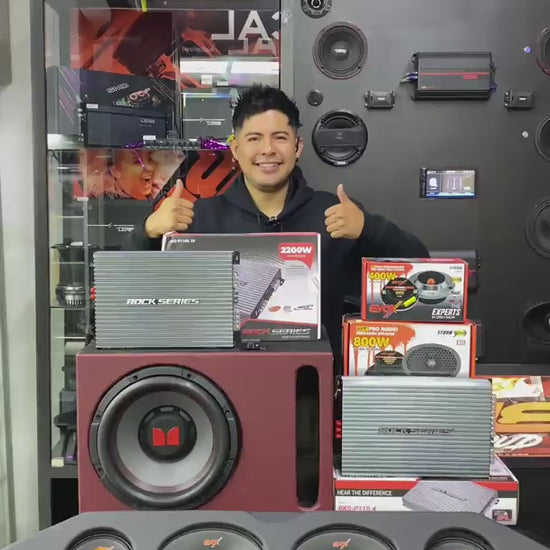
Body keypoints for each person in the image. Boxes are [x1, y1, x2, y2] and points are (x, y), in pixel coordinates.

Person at [127, 84, 429, 369]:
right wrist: (148, 232)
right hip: (220, 385)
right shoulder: (200, 219)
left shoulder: (335, 214)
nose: (268, 149)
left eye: (280, 137)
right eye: (254, 138)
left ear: (297, 146)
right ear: (235, 149)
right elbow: (131, 297)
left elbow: (421, 270)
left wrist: (369, 228)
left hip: (315, 385)